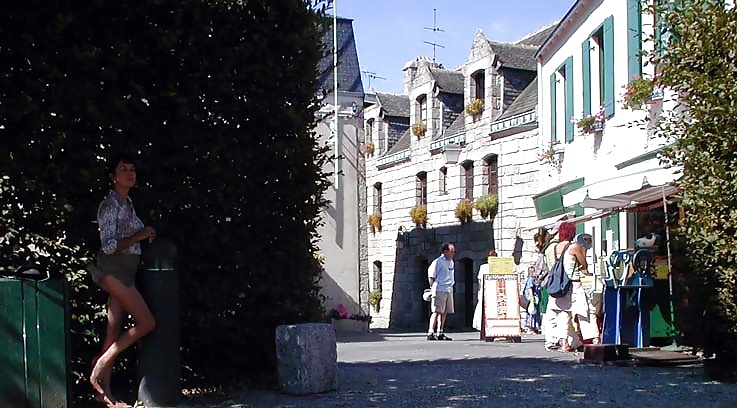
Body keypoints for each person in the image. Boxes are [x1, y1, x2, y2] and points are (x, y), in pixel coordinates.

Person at [86, 154, 157, 407]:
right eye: (123, 170)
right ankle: (101, 363)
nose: (129, 173)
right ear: (114, 177)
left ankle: (103, 393)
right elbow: (108, 246)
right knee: (147, 322)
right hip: (113, 270)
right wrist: (139, 236)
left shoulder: (127, 203)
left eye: (132, 169)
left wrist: (143, 235)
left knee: (113, 330)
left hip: (126, 270)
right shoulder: (110, 205)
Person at [427, 242, 456, 341]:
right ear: (445, 251)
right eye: (451, 251)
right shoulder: (438, 262)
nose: (453, 253)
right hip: (439, 289)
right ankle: (430, 332)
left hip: (448, 289)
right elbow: (431, 276)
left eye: (454, 252)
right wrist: (433, 288)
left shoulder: (451, 262)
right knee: (436, 311)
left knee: (444, 312)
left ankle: (440, 331)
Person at [472, 250, 497, 331]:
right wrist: (479, 291)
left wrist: (479, 291)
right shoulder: (484, 267)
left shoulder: (487, 267)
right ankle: (481, 324)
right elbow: (479, 281)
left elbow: (479, 281)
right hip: (486, 289)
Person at [523, 265, 541, 333]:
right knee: (532, 312)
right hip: (532, 298)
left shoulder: (532, 279)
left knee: (534, 312)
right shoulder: (530, 279)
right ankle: (531, 327)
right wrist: (532, 298)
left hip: (534, 298)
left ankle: (534, 327)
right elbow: (530, 288)